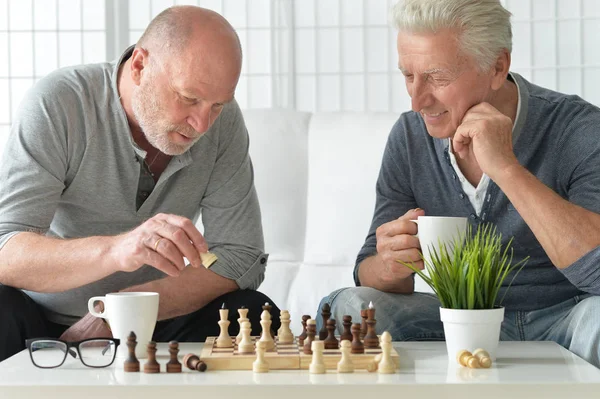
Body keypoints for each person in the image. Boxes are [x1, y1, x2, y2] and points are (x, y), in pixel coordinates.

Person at [318, 0, 600, 367]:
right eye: (408, 75)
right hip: (454, 320)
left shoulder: (577, 129)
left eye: (437, 77)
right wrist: (390, 264)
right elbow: (367, 271)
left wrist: (506, 168)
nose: (417, 100)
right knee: (350, 306)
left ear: (497, 67)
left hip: (566, 319)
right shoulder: (409, 136)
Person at [0, 6, 280, 362]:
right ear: (139, 66)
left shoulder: (222, 125)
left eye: (217, 106)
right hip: (39, 321)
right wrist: (117, 251)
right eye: (189, 98)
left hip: (156, 318)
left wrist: (118, 310)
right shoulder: (59, 103)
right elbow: (5, 249)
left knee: (252, 312)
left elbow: (241, 255)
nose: (202, 124)